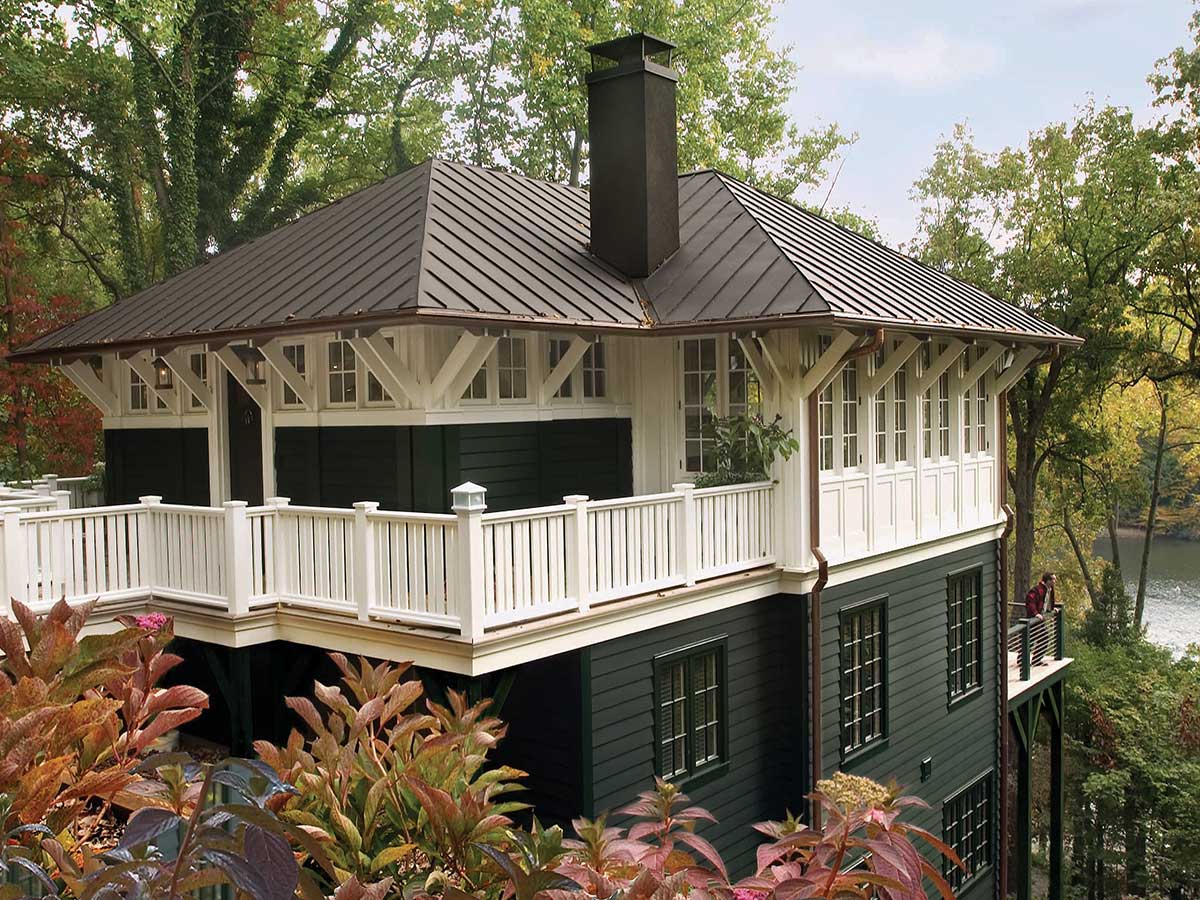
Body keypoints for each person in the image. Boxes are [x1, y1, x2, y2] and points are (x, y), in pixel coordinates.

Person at [1024, 572, 1057, 665]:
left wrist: (1052, 608)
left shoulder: (1050, 589)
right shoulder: (1037, 590)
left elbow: (1048, 601)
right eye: (1053, 579)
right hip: (1034, 619)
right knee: (1031, 639)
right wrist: (1035, 613)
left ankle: (1035, 660)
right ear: (1047, 580)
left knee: (1043, 638)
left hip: (1040, 619)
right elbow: (1030, 601)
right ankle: (1023, 661)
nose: (1055, 581)